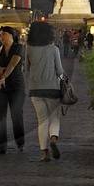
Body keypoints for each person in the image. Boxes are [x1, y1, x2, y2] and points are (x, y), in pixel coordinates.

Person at [25, 20, 66, 161]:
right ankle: (53, 138)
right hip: (52, 88)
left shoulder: (28, 49)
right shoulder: (53, 49)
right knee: (54, 117)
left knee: (42, 120)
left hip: (35, 89)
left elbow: (26, 68)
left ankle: (45, 153)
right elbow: (59, 70)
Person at [0, 24, 27, 153]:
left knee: (17, 116)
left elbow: (13, 64)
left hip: (16, 86)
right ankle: (0, 146)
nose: (1, 37)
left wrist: (4, 76)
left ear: (11, 35)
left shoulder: (18, 47)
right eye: (0, 35)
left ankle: (20, 143)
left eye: (3, 34)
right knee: (0, 117)